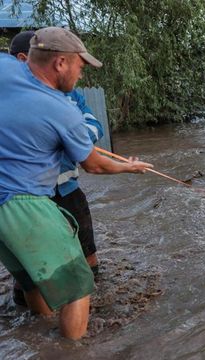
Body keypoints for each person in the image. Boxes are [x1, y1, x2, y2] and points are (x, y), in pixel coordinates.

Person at [0, 26, 153, 340]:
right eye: (80, 65)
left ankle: (41, 337)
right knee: (78, 286)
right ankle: (70, 349)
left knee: (30, 279)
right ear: (59, 63)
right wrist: (130, 167)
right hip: (24, 205)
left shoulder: (4, 69)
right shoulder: (61, 110)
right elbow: (94, 165)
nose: (81, 74)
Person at [9, 30, 104, 308]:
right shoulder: (13, 97)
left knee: (87, 252)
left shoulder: (70, 95)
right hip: (27, 197)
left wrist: (70, 135)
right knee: (30, 266)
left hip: (67, 188)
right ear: (23, 59)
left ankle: (88, 301)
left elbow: (93, 126)